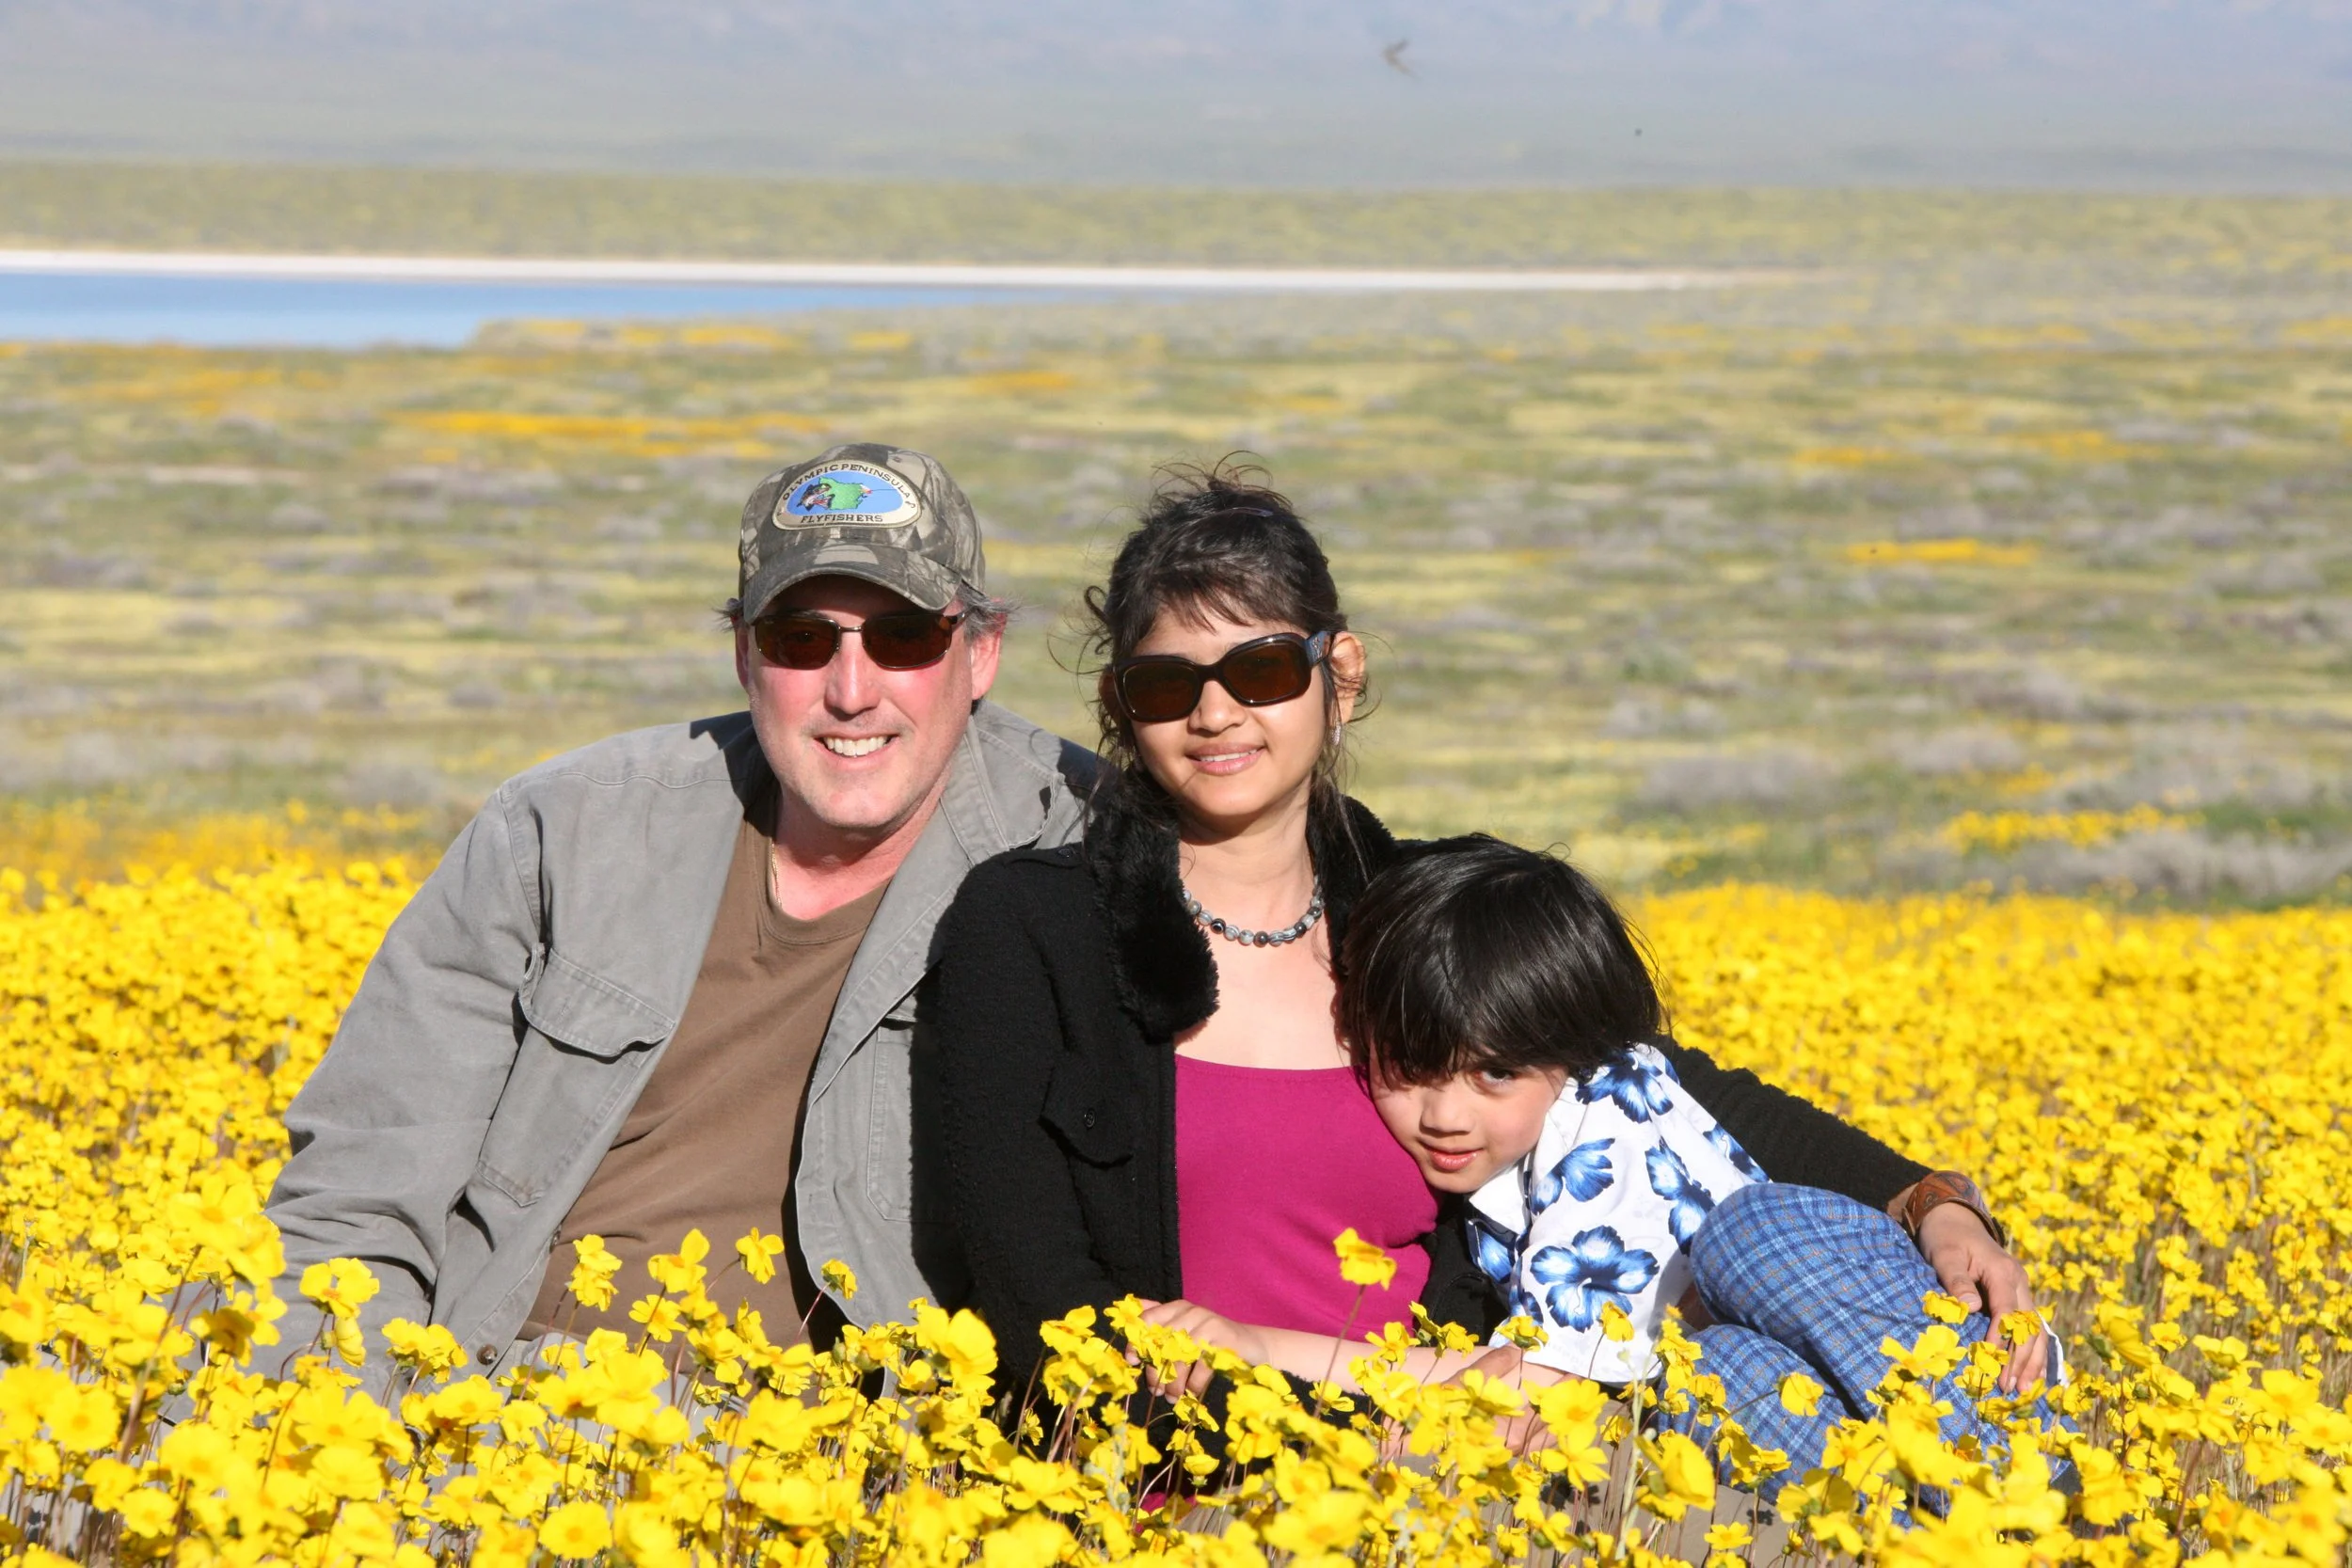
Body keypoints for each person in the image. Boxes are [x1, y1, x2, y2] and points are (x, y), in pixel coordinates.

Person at [926, 464, 2046, 1396]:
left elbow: (1660, 1090)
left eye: (1261, 669)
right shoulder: (1034, 932)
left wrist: (1932, 1205)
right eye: (1169, 685)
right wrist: (1331, 1442)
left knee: (1755, 1362)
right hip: (1175, 1485)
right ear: (1123, 709)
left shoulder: (1418, 907)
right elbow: (1035, 1300)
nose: (1216, 713)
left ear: (1339, 674)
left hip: (1470, 1473)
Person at [262, 443, 1094, 1394]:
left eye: (904, 636)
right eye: (800, 639)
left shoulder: (1073, 849)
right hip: (486, 1410)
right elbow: (357, 1199)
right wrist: (331, 1438)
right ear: (744, 653)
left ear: (979, 652)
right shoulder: (563, 830)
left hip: (820, 1454)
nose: (851, 689)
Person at [1144, 834, 2062, 1496]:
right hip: (1800, 1381)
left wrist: (1261, 1348)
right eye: (1410, 1068)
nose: (1444, 1113)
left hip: (1957, 1371)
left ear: (1570, 1050)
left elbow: (1535, 1386)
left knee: (1752, 1233)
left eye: (1495, 1072)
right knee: (1715, 1377)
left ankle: (2026, 1490)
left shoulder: (1602, 1120)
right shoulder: (1506, 1137)